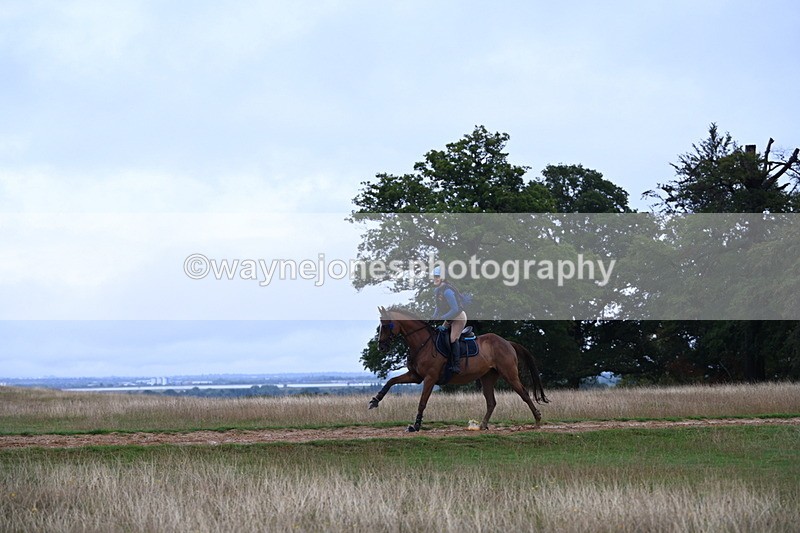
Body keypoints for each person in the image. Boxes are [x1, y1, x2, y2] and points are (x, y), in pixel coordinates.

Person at [432, 266, 467, 373]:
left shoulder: (447, 291)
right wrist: (433, 318)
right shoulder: (438, 290)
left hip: (458, 317)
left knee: (452, 338)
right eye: (434, 276)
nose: (435, 278)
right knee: (439, 334)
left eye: (437, 276)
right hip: (450, 317)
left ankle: (456, 365)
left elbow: (455, 309)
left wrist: (442, 318)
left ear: (442, 278)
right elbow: (438, 307)